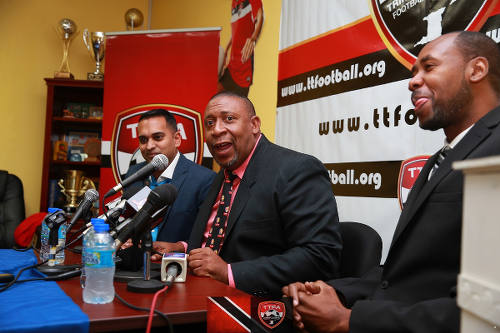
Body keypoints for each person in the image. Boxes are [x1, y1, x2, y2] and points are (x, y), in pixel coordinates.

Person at [283, 31, 500, 332]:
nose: (412, 81)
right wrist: (333, 292)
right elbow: (401, 275)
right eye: (413, 72)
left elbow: (490, 308)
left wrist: (349, 320)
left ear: (476, 70)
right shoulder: (441, 159)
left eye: (429, 67)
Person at [185, 91, 342, 297]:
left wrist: (229, 272)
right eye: (210, 123)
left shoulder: (297, 169)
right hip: (200, 292)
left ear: (254, 125)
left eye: (229, 119)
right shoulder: (224, 174)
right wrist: (181, 249)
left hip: (260, 306)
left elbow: (320, 255)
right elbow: (220, 238)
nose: (217, 130)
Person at [122, 109, 215, 259]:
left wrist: (178, 247)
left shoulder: (204, 179)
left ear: (177, 138)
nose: (149, 146)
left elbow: (210, 238)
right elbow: (127, 220)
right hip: (134, 266)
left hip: (177, 270)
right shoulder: (134, 173)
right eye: (143, 140)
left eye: (157, 137)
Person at [218, 0, 264, 97]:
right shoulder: (234, 3)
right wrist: (226, 49)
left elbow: (260, 16)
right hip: (232, 65)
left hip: (244, 66)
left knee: (238, 108)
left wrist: (254, 37)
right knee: (215, 94)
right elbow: (235, 30)